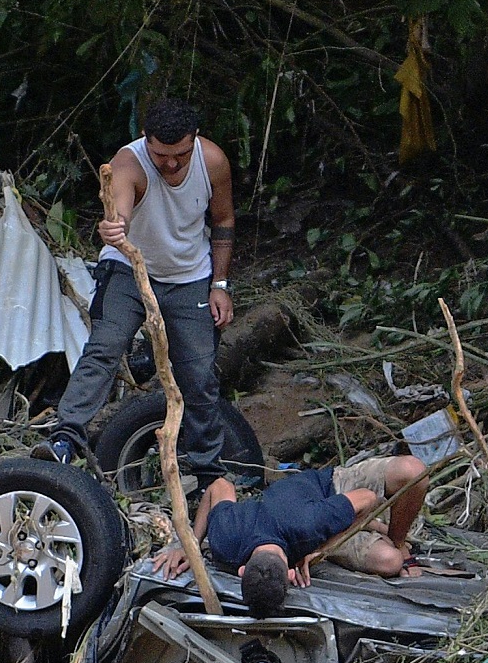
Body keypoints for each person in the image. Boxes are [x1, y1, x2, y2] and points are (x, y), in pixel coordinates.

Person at [36, 98, 236, 482]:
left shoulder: (212, 160)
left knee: (199, 375)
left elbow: (224, 219)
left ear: (195, 139)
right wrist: (115, 227)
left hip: (190, 275)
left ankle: (207, 471)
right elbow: (120, 209)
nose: (172, 164)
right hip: (128, 267)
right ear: (146, 139)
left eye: (181, 155)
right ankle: (65, 438)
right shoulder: (128, 163)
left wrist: (220, 285)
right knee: (105, 347)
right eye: (162, 156)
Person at [153, 455, 429, 615]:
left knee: (412, 471)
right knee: (390, 562)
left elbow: (367, 497)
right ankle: (373, 527)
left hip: (330, 489)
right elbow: (219, 485)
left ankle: (395, 538)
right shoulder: (225, 538)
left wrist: (323, 549)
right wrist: (189, 545)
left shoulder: (308, 526)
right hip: (313, 517)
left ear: (241, 570)